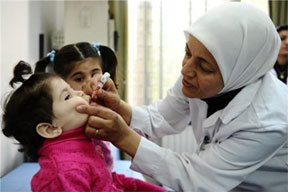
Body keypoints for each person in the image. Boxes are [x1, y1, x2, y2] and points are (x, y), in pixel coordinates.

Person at [76, 3, 288, 192]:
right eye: (187, 52)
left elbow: (197, 177)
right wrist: (119, 106)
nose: (186, 70)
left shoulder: (268, 121)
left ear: (239, 73)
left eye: (204, 67)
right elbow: (161, 117)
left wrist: (122, 137)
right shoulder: (196, 76)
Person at [2, 61, 166, 192]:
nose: (80, 93)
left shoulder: (84, 144)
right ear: (50, 129)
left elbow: (108, 181)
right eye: (68, 96)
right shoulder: (64, 174)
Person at [35, 42, 117, 170]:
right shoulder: (67, 118)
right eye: (79, 79)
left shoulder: (107, 104)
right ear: (63, 84)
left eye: (95, 75)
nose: (90, 83)